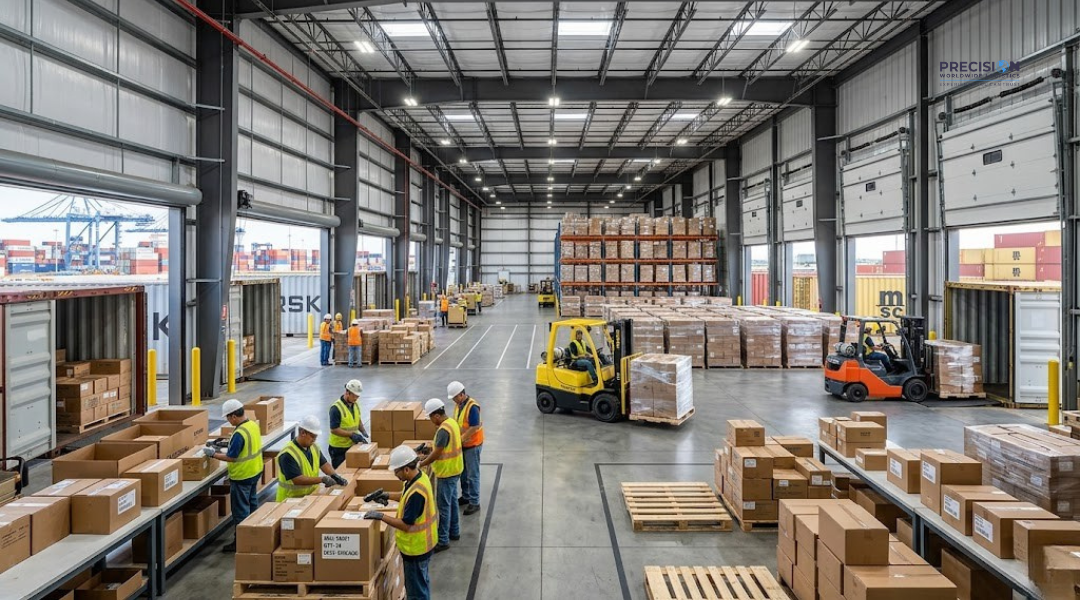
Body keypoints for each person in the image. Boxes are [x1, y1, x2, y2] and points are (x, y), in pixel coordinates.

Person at [363, 446, 436, 600]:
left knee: (416, 593)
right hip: (421, 546)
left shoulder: (417, 492)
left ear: (406, 469)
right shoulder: (417, 478)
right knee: (421, 583)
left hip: (416, 549)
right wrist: (387, 496)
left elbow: (405, 524)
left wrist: (381, 516)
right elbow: (404, 497)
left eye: (397, 471)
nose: (395, 474)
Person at [203, 399, 261, 553]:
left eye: (228, 418)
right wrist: (224, 447)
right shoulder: (252, 425)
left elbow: (232, 457)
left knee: (241, 511)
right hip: (255, 472)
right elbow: (243, 449)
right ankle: (255, 535)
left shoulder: (239, 433)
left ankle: (241, 543)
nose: (228, 421)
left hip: (242, 476)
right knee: (252, 504)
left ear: (233, 416)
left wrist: (213, 454)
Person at [417, 398, 462, 552]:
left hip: (446, 472)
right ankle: (454, 532)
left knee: (443, 507)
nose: (430, 420)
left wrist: (422, 463)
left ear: (436, 415)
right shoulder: (452, 423)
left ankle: (443, 540)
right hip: (455, 469)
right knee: (452, 502)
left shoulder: (443, 430)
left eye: (430, 417)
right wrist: (427, 454)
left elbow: (438, 452)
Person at [276, 415, 347, 501]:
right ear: (303, 433)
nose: (314, 440)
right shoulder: (288, 454)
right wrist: (322, 479)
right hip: (290, 500)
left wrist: (334, 476)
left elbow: (324, 464)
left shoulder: (314, 447)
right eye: (313, 436)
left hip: (308, 497)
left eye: (316, 437)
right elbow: (298, 480)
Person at [449, 381, 483, 515]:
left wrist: (461, 438)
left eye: (455, 397)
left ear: (462, 394)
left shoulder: (472, 407)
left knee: (472, 475)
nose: (453, 400)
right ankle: (466, 496)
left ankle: (474, 502)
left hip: (472, 445)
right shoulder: (458, 405)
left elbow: (474, 426)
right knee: (463, 473)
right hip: (463, 445)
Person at [328, 379, 369, 468]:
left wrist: (363, 431)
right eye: (354, 396)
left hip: (351, 445)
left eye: (357, 396)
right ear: (347, 392)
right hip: (338, 449)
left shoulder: (355, 404)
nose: (356, 398)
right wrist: (351, 435)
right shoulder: (336, 408)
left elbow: (357, 419)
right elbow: (334, 429)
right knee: (342, 472)